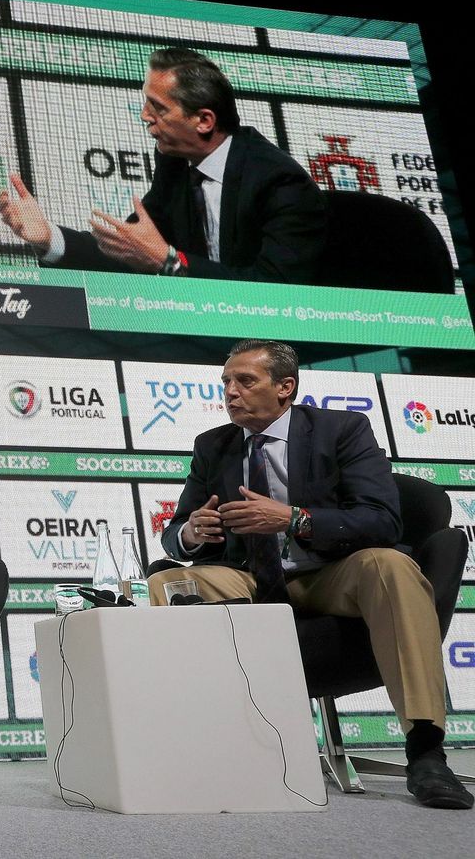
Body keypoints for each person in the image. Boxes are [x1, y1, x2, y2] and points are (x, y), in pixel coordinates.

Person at [149, 339, 471, 810]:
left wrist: (294, 518)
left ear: (285, 388)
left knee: (392, 566)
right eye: (226, 382)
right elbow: (175, 534)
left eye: (245, 381)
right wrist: (192, 533)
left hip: (332, 572)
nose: (231, 392)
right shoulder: (212, 445)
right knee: (167, 583)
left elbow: (383, 521)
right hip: (252, 578)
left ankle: (425, 749)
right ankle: (198, 741)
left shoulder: (341, 431)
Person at [0, 47, 325, 283]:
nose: (144, 116)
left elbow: (277, 291)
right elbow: (128, 252)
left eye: (159, 108)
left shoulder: (278, 182)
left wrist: (168, 262)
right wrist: (49, 237)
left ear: (204, 121)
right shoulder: (176, 164)